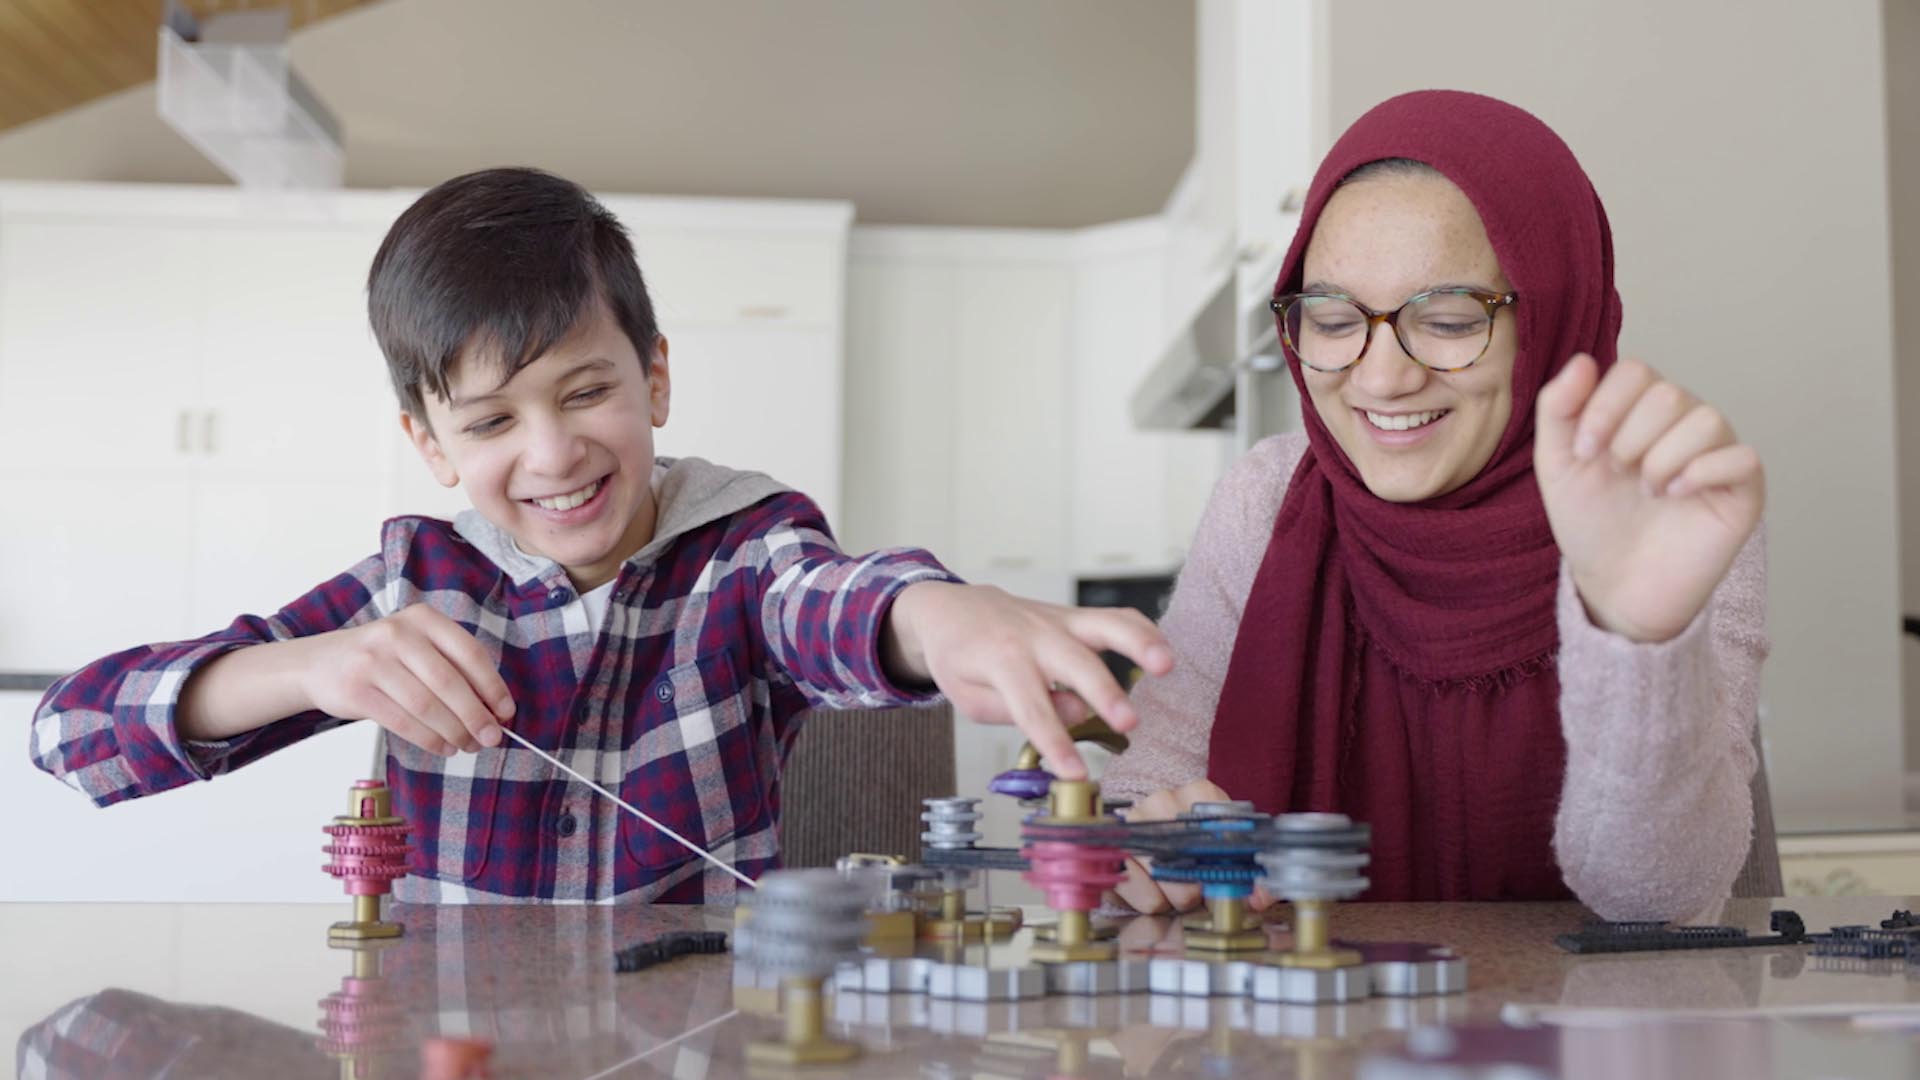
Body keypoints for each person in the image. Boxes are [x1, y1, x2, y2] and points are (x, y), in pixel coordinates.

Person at [31, 167, 1171, 903]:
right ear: (431, 446)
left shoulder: (741, 546)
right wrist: (311, 669)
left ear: (655, 376)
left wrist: (935, 613)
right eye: (489, 421)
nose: (552, 454)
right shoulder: (415, 583)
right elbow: (69, 737)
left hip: (698, 1031)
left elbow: (828, 600)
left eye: (585, 394)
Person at [1103, 91, 1771, 922]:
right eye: (1333, 317)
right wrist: (1149, 843)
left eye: (1451, 320)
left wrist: (1636, 640)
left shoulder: (1659, 506)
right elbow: (1138, 805)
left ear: (1557, 316)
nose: (1381, 378)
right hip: (1309, 1040)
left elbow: (1658, 901)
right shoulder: (1266, 498)